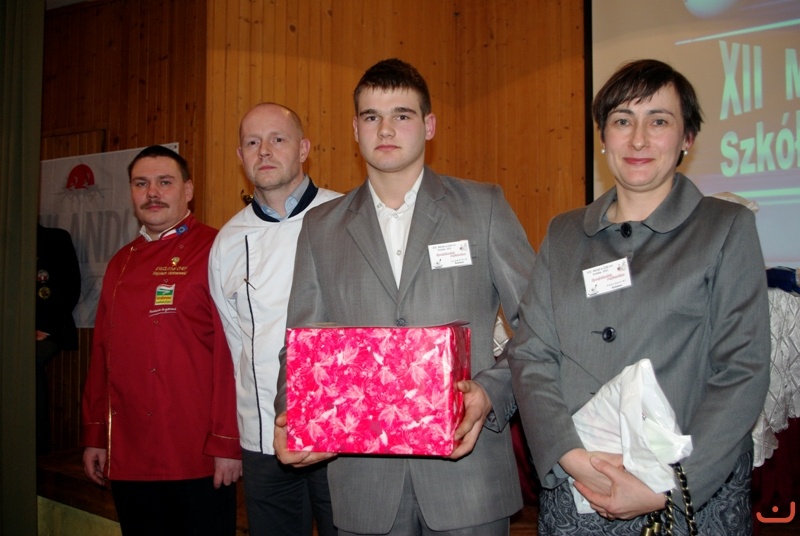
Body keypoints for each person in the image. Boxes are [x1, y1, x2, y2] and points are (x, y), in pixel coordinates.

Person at [273, 58, 536, 536]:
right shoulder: (321, 227)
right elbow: (301, 342)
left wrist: (491, 393)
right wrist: (289, 415)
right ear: (355, 129)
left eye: (402, 115)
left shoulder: (483, 208)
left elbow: (539, 327)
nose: (386, 129)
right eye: (371, 116)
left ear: (429, 125)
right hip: (364, 483)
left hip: (468, 474)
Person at [507, 59, 770, 534]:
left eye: (659, 121)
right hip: (578, 486)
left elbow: (742, 369)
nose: (639, 140)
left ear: (687, 138)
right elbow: (531, 355)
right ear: (603, 137)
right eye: (623, 121)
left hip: (685, 493)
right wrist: (572, 457)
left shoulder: (725, 228)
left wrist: (666, 488)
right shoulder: (564, 233)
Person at [80, 145, 242, 535]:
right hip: (130, 452)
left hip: (197, 453)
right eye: (141, 184)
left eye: (164, 182)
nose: (152, 193)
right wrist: (95, 436)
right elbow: (102, 355)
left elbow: (232, 355)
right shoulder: (120, 262)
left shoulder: (217, 250)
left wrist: (227, 443)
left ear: (188, 190)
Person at [208, 102, 340, 536]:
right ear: (240, 156)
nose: (264, 150)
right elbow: (235, 343)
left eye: (277, 139)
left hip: (344, 435)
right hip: (264, 437)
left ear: (303, 149)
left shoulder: (347, 215)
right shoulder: (228, 241)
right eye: (252, 142)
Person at [36, 223, 81, 455]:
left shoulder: (55, 239)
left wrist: (46, 327)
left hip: (50, 329)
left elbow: (70, 287)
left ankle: (36, 444)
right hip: (13, 332)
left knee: (29, 363)